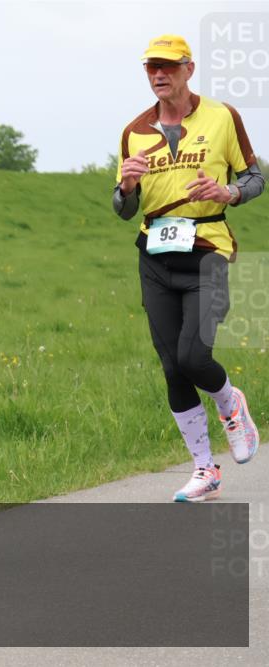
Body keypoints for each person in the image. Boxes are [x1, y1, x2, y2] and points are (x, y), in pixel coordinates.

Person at [113, 35, 264, 502]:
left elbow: (254, 177)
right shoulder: (134, 131)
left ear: (188, 69)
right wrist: (128, 187)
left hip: (207, 250)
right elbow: (122, 208)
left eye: (167, 67)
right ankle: (204, 470)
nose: (159, 75)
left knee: (193, 358)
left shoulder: (222, 117)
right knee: (171, 367)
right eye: (151, 68)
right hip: (154, 255)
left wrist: (230, 193)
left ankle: (229, 401)